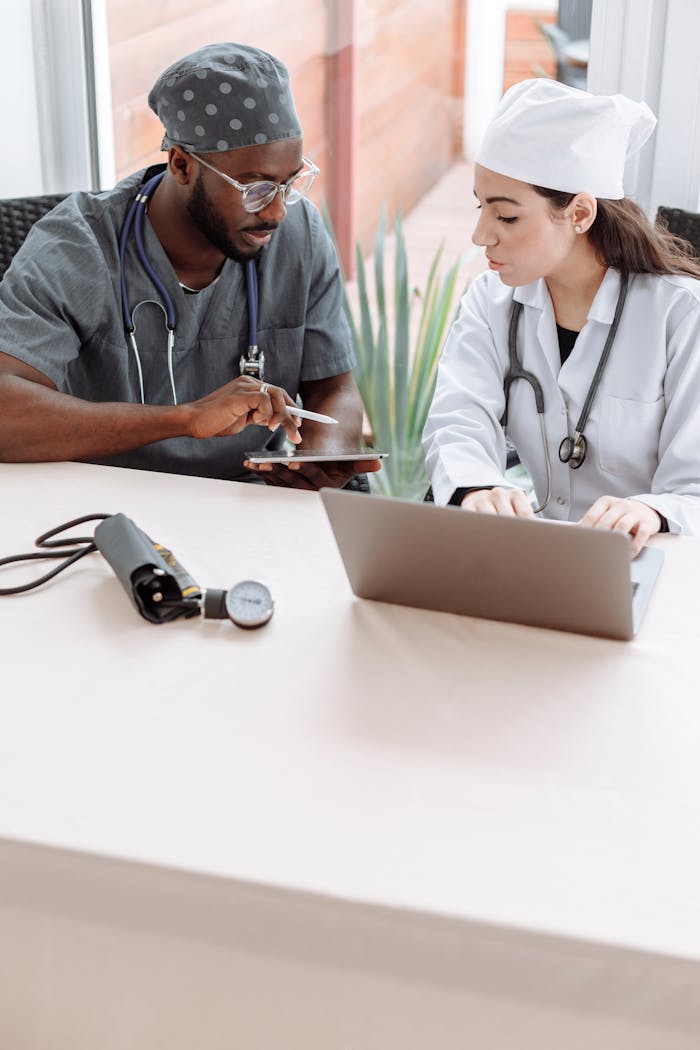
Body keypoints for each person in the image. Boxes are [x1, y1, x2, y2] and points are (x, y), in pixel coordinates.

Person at [0, 42, 378, 490]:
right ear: (181, 165)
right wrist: (185, 419)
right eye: (255, 188)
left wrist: (320, 460)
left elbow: (333, 386)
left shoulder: (300, 235)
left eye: (289, 182)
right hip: (104, 500)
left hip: (247, 499)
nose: (276, 212)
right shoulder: (78, 245)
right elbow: (7, 415)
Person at [423, 77, 700, 555]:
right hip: (537, 557)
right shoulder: (490, 303)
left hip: (651, 560)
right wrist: (477, 489)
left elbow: (693, 488)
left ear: (579, 214)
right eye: (480, 206)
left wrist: (652, 511)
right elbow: (457, 420)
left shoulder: (682, 316)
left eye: (506, 217)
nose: (480, 235)